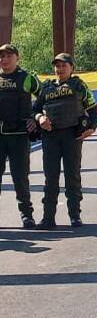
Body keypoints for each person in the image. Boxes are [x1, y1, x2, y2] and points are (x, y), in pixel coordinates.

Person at [33, 53, 97, 229]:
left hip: (72, 136)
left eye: (63, 66)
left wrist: (91, 128)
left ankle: (75, 216)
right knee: (50, 178)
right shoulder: (46, 88)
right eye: (57, 66)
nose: (59, 69)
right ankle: (48, 218)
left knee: (72, 176)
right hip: (51, 137)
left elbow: (93, 110)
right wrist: (40, 118)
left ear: (71, 68)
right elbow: (34, 110)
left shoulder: (79, 85)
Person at [0, 43, 42, 229]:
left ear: (17, 58)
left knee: (20, 177)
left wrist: (36, 116)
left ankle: (27, 215)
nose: (4, 59)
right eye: (1, 56)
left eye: (9, 56)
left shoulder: (27, 78)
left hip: (18, 135)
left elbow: (45, 97)